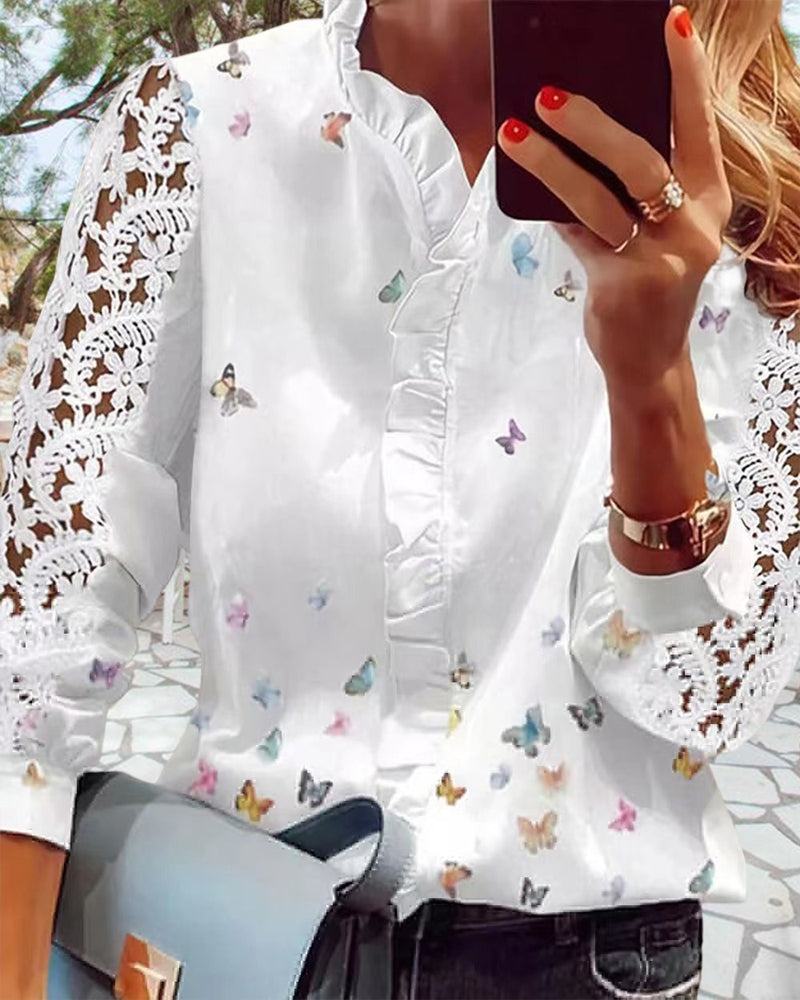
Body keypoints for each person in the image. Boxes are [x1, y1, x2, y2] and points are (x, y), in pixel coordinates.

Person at [1, 0, 799, 997]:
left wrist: (650, 387)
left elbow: (705, 695)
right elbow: (37, 650)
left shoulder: (744, 191)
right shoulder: (198, 127)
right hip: (241, 936)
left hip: (590, 960)